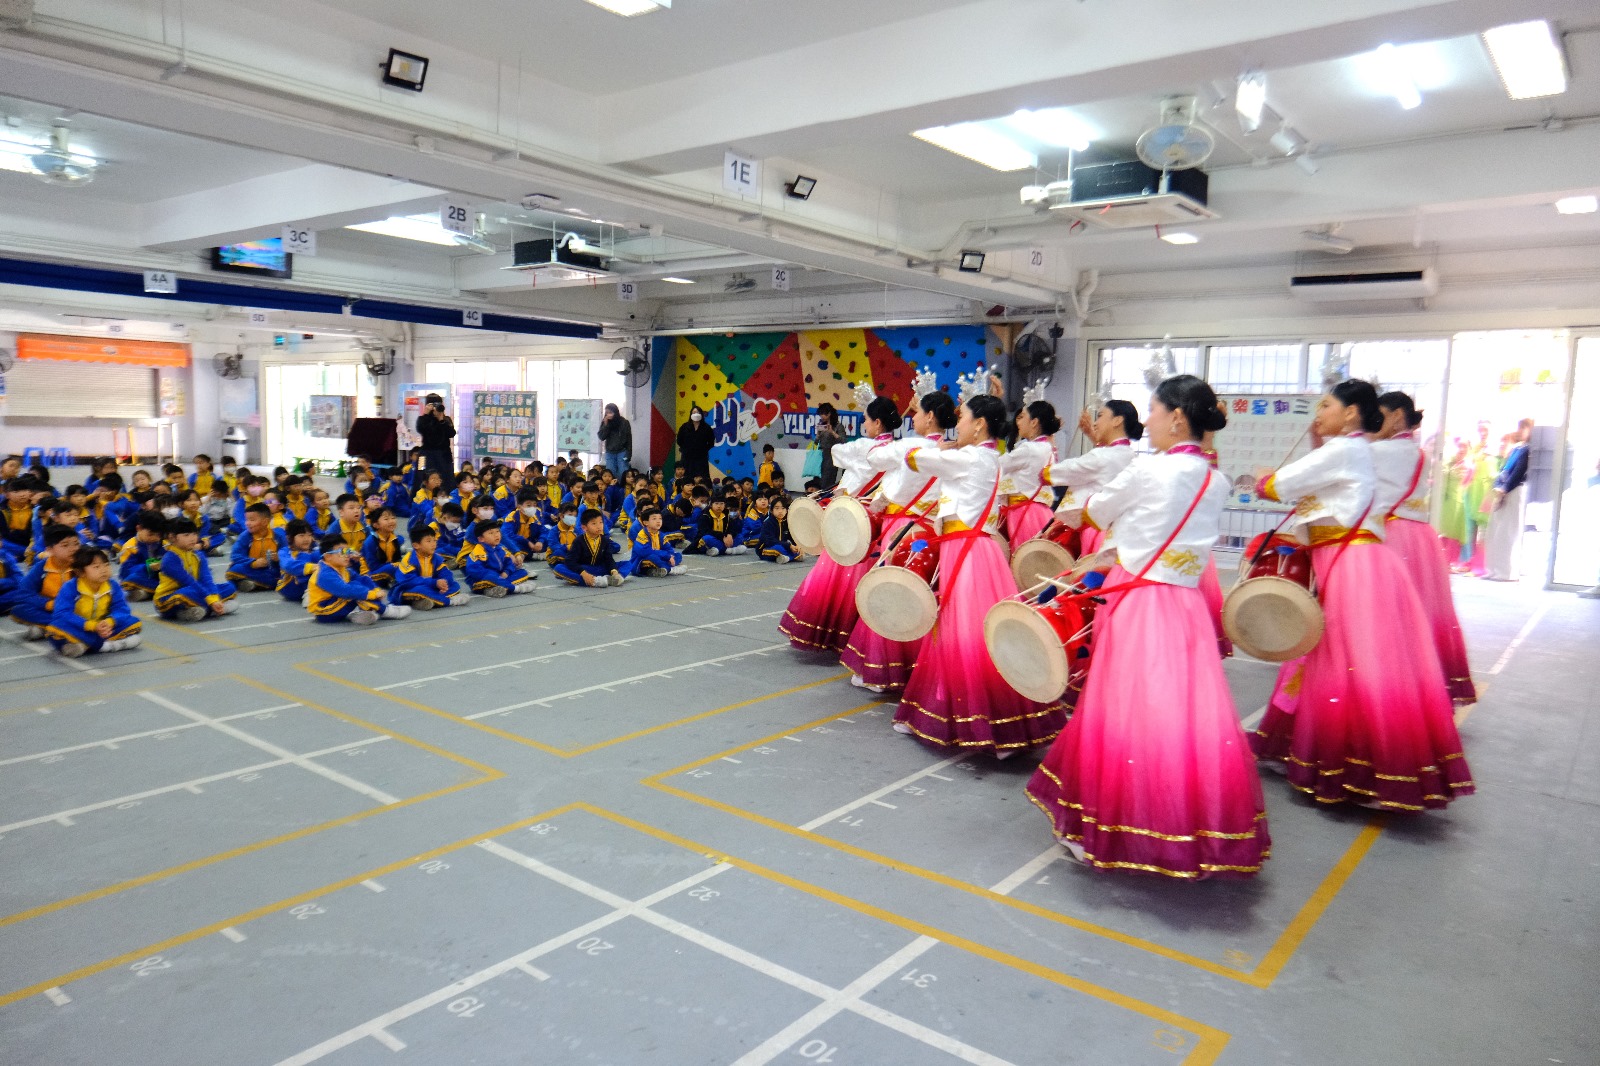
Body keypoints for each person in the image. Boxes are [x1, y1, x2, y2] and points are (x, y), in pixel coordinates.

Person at [1027, 374, 1269, 879]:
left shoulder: (1149, 469)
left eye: (1154, 411)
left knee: (1123, 705)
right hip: (1184, 603)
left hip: (1139, 599)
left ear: (1176, 417)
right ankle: (1183, 821)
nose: (1149, 421)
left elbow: (1096, 511)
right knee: (1177, 709)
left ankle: (1116, 821)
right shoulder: (1216, 479)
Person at [1250, 379, 1473, 811]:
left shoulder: (1345, 449)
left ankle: (1361, 767)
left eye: (1326, 405)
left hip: (1353, 566)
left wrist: (1262, 477)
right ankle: (1344, 761)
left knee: (1347, 664)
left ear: (1351, 412)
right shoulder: (1353, 449)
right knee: (1342, 661)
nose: (1319, 413)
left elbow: (1276, 486)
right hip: (1354, 561)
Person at [890, 394, 1069, 757]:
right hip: (976, 549)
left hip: (967, 552)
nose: (959, 424)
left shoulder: (970, 458)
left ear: (980, 425)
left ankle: (989, 724)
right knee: (977, 632)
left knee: (965, 633)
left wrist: (930, 447)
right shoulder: (988, 457)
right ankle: (1004, 724)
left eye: (964, 418)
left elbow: (917, 458)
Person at [1374, 392, 1476, 705]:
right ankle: (1426, 682)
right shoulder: (1418, 452)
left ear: (1396, 417)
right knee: (1421, 611)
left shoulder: (1378, 450)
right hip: (1419, 537)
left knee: (1385, 612)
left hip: (1389, 535)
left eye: (1378, 415)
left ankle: (1389, 684)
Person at [1047, 400, 1142, 558]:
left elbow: (1070, 469)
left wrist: (1044, 472)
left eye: (1100, 416)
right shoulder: (1131, 455)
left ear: (1117, 420)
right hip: (1120, 530)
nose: (1095, 423)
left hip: (1097, 528)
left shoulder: (1103, 456)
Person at [47, 546, 142, 657]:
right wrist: (91, 625)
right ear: (80, 572)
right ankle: (109, 645)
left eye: (106, 565)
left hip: (103, 627)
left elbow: (122, 609)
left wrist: (110, 622)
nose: (104, 570)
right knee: (55, 627)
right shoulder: (70, 587)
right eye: (96, 567)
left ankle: (87, 646)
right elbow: (63, 613)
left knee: (134, 622)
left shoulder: (112, 585)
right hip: (80, 627)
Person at [998, 400, 1061, 546]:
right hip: (1040, 510)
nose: (1018, 422)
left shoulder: (1029, 449)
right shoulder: (1048, 447)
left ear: (1034, 422)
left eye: (1022, 417)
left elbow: (998, 465)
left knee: (1023, 554)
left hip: (1025, 512)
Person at [307, 536, 409, 624]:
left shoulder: (341, 568)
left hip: (335, 604)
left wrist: (376, 590)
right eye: (342, 552)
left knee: (362, 580)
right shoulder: (325, 574)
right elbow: (345, 591)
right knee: (355, 591)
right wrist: (371, 594)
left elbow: (362, 579)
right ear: (328, 556)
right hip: (324, 611)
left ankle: (358, 614)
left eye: (348, 551)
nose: (347, 555)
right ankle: (385, 611)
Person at [155, 519, 239, 622]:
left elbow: (206, 579)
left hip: (196, 591)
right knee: (186, 593)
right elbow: (189, 582)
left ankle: (203, 610)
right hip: (169, 598)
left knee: (229, 587)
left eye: (194, 534)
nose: (192, 539)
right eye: (186, 535)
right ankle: (215, 609)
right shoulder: (170, 559)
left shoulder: (199, 555)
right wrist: (211, 601)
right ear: (172, 537)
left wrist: (214, 598)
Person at [1483, 418, 1533, 582]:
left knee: (1508, 533)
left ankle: (1506, 571)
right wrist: (1499, 486)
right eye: (1520, 427)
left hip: (1515, 490)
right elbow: (1505, 469)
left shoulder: (1528, 449)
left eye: (1524, 428)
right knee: (1495, 533)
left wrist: (1505, 488)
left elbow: (1519, 471)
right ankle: (1493, 569)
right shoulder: (1518, 448)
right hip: (1504, 491)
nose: (1521, 430)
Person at [12, 524, 80, 638]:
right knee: (19, 610)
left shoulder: (82, 566)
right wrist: (47, 604)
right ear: (50, 550)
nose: (73, 549)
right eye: (65, 545)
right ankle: (61, 626)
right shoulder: (41, 568)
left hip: (76, 608)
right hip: (51, 609)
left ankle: (45, 627)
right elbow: (23, 594)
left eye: (76, 544)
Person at [394, 525, 470, 609]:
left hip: (431, 586)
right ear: (416, 545)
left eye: (434, 540)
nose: (433, 544)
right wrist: (434, 582)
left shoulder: (435, 557)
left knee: (454, 585)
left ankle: (426, 601)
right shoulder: (409, 559)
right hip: (411, 587)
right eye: (429, 541)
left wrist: (444, 583)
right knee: (420, 590)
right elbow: (409, 581)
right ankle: (450, 601)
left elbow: (445, 572)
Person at [553, 509, 626, 587]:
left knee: (627, 564)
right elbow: (570, 561)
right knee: (558, 568)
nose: (599, 526)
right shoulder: (579, 541)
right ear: (584, 528)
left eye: (601, 522)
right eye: (594, 523)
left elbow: (609, 559)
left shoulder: (604, 540)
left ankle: (613, 579)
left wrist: (614, 572)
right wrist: (584, 573)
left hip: (600, 568)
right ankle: (595, 581)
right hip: (584, 568)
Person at [461, 520, 535, 597]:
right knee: (491, 578)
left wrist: (506, 572)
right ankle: (514, 588)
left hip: (500, 576)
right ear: (481, 539)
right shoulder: (479, 551)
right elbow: (475, 570)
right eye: (491, 533)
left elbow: (509, 562)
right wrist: (496, 576)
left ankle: (497, 588)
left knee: (522, 572)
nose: (496, 535)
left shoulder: (501, 548)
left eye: (497, 531)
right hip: (482, 580)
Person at [227, 504, 283, 592]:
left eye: (252, 520)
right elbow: (235, 555)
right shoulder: (245, 536)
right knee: (234, 568)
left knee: (283, 576)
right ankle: (256, 584)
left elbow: (288, 553)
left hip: (271, 570)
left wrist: (279, 558)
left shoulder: (278, 536)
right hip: (252, 569)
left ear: (265, 522)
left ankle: (249, 584)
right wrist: (253, 562)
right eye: (246, 520)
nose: (247, 523)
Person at [119, 512, 167, 601]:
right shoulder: (130, 547)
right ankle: (161, 591)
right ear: (139, 528)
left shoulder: (164, 544)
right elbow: (125, 571)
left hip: (159, 577)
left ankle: (149, 593)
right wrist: (147, 567)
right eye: (151, 534)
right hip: (141, 577)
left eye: (159, 535)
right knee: (130, 579)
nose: (155, 538)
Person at [628, 507, 685, 577]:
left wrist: (670, 556)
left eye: (660, 518)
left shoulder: (660, 535)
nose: (658, 521)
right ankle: (670, 569)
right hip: (641, 559)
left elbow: (668, 548)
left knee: (677, 555)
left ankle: (658, 570)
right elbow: (644, 552)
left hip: (658, 555)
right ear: (646, 522)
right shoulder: (642, 534)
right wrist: (666, 556)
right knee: (653, 557)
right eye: (654, 519)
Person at [276, 520, 322, 603]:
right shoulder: (284, 551)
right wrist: (312, 567)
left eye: (309, 535)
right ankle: (309, 593)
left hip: (311, 582)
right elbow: (288, 565)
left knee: (321, 555)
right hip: (290, 587)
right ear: (290, 537)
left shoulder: (315, 549)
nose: (306, 539)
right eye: (301, 536)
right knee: (304, 556)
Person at [415, 393, 456, 483]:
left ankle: (444, 492)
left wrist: (441, 420)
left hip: (443, 454)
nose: (435, 407)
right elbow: (420, 429)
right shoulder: (423, 419)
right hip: (425, 453)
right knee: (421, 475)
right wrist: (426, 414)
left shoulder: (446, 419)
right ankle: (420, 492)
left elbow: (452, 433)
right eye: (432, 405)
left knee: (445, 478)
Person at [759, 497, 802, 563]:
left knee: (797, 550)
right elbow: (769, 541)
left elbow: (792, 537)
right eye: (777, 508)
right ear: (771, 510)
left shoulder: (786, 522)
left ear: (787, 510)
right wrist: (789, 546)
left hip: (782, 545)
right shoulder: (768, 523)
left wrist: (796, 545)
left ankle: (786, 557)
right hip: (766, 548)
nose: (780, 511)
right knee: (779, 548)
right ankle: (790, 557)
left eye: (783, 508)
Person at [814, 403, 846, 490]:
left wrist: (832, 432)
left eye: (823, 414)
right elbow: (816, 443)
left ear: (829, 414)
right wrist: (818, 434)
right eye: (820, 414)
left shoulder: (838, 426)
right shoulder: (822, 425)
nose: (822, 416)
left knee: (827, 481)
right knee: (818, 480)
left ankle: (826, 496)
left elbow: (843, 441)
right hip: (821, 455)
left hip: (832, 456)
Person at [677, 405, 714, 481]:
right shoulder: (684, 427)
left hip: (701, 458)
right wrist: (685, 449)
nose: (696, 414)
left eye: (698, 412)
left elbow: (711, 442)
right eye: (694, 412)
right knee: (687, 478)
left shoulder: (707, 428)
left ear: (701, 414)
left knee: (701, 478)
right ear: (691, 414)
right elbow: (679, 440)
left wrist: (703, 450)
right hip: (687, 457)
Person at [598, 403, 633, 478]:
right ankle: (612, 485)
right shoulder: (605, 422)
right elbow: (601, 437)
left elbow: (629, 439)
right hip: (610, 452)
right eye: (607, 413)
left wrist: (629, 454)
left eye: (610, 412)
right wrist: (606, 425)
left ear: (615, 412)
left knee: (623, 472)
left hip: (622, 451)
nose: (608, 414)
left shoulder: (624, 422)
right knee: (610, 473)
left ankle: (622, 486)